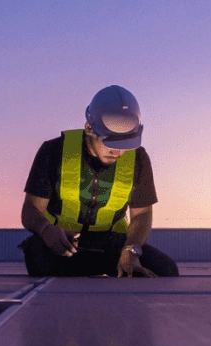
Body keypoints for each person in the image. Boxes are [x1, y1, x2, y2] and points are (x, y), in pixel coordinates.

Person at [19, 85, 179, 277]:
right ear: (89, 128)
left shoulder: (138, 159)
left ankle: (100, 268)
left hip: (112, 244)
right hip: (62, 242)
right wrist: (46, 230)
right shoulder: (54, 151)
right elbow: (31, 210)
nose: (118, 152)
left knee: (165, 270)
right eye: (110, 142)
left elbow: (142, 215)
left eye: (125, 143)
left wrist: (130, 251)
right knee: (38, 259)